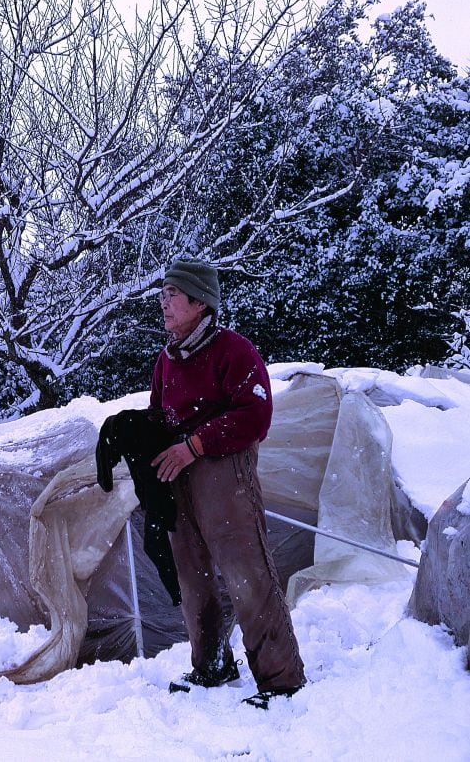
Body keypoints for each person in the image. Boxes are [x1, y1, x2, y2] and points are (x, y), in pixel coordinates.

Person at [148, 258, 306, 710]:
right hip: (177, 474)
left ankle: (281, 680)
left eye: (172, 295)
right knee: (192, 574)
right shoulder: (167, 360)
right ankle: (211, 664)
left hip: (223, 471)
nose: (164, 304)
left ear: (200, 302)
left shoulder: (234, 351)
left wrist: (195, 444)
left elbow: (255, 415)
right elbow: (160, 414)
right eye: (162, 295)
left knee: (246, 569)